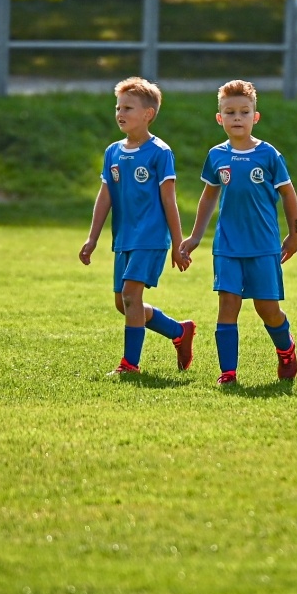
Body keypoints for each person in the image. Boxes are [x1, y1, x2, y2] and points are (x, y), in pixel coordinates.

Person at [181, 80, 297, 386]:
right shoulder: (216, 156)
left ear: (255, 117)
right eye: (230, 112)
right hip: (227, 247)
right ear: (219, 117)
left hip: (263, 246)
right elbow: (209, 196)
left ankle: (286, 350)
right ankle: (228, 373)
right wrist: (195, 237)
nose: (237, 117)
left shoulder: (269, 155)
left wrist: (294, 233)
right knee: (228, 305)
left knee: (267, 309)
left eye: (244, 112)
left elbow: (288, 194)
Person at [78, 77, 194, 376]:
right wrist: (92, 238)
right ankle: (179, 331)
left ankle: (129, 365)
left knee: (131, 295)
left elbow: (169, 201)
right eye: (118, 107)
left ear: (148, 114)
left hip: (151, 237)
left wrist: (179, 245)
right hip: (124, 238)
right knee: (124, 303)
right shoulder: (113, 152)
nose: (120, 113)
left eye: (128, 108)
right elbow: (105, 196)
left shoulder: (160, 152)